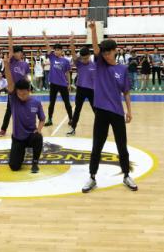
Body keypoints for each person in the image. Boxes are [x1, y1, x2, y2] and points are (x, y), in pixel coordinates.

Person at [82, 20, 137, 193]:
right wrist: (93, 31)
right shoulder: (100, 64)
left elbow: (126, 92)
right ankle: (92, 177)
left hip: (117, 112)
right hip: (101, 112)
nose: (106, 55)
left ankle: (126, 175)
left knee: (122, 145)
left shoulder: (122, 69)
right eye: (104, 53)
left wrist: (129, 111)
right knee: (97, 146)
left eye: (109, 52)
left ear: (115, 51)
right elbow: (95, 48)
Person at [3, 54, 45, 173]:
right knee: (14, 167)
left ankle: (35, 162)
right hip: (18, 138)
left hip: (31, 136)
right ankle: (18, 151)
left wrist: (39, 129)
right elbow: (10, 83)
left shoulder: (36, 102)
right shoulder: (14, 100)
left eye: (24, 94)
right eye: (19, 94)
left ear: (29, 91)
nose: (21, 96)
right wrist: (6, 66)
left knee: (38, 137)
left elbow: (42, 119)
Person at [0, 28, 30, 137]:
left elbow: (26, 77)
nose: (17, 53)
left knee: (23, 110)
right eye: (15, 52)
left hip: (22, 90)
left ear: (22, 54)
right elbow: (10, 49)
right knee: (9, 111)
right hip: (12, 89)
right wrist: (10, 36)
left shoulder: (25, 64)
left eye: (19, 52)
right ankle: (3, 129)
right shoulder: (11, 61)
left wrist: (28, 87)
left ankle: (25, 128)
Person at [42, 29, 73, 127]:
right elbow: (48, 47)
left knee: (67, 103)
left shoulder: (66, 61)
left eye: (58, 50)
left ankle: (71, 119)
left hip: (63, 84)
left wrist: (69, 84)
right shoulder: (52, 57)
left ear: (62, 51)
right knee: (51, 103)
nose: (56, 51)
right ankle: (50, 119)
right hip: (53, 84)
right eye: (55, 50)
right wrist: (45, 36)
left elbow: (67, 73)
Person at [68, 33, 96, 136]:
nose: (84, 60)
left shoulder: (95, 64)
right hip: (80, 89)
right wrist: (71, 42)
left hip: (92, 90)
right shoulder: (79, 63)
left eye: (86, 58)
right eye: (83, 58)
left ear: (89, 55)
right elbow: (73, 53)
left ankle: (101, 129)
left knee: (96, 110)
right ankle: (73, 128)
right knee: (77, 110)